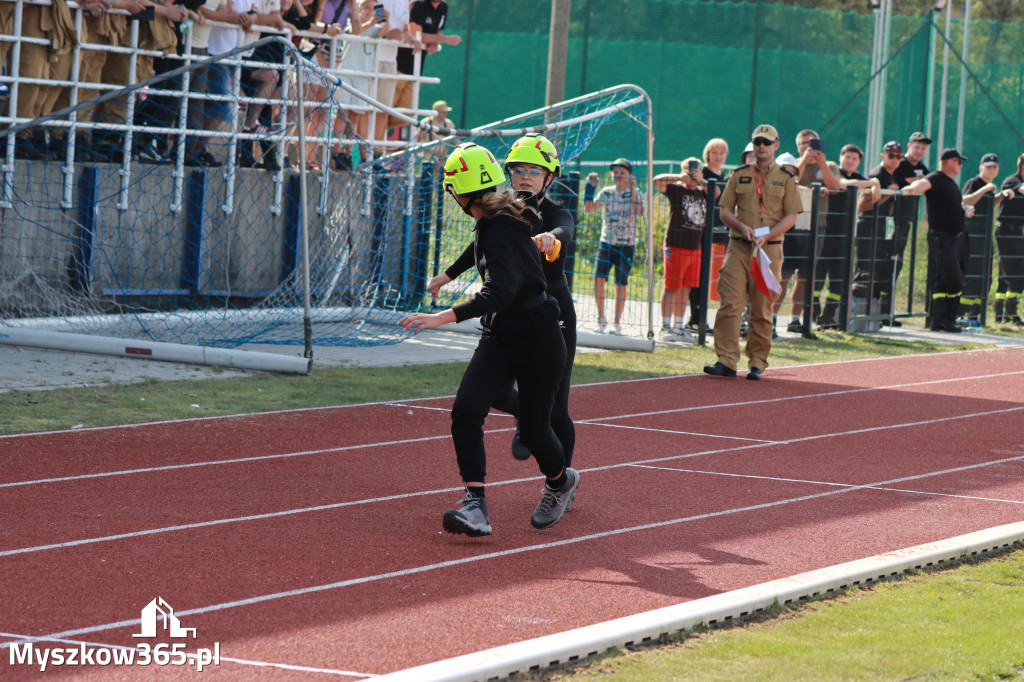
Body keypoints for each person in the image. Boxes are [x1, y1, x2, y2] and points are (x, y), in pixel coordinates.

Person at [399, 142, 579, 537]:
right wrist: (447, 276)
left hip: (539, 337)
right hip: (499, 334)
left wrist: (439, 318)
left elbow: (499, 292)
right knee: (467, 409)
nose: (525, 176)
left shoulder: (502, 225)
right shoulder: (495, 219)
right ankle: (475, 505)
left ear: (457, 194)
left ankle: (560, 481)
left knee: (536, 430)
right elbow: (482, 253)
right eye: (519, 169)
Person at [704, 124, 802, 381]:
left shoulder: (786, 177)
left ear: (776, 146)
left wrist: (766, 234)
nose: (761, 146)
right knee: (730, 304)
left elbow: (791, 216)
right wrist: (742, 228)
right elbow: (724, 211)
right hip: (738, 245)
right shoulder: (739, 175)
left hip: (769, 250)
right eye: (758, 141)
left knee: (762, 307)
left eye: (766, 142)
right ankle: (726, 359)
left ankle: (757, 362)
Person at [902, 149, 996, 333]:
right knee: (954, 280)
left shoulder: (951, 183)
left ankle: (940, 321)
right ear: (949, 162)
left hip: (958, 239)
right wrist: (912, 189)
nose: (961, 165)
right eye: (959, 162)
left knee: (945, 280)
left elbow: (951, 205)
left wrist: (963, 211)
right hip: (942, 237)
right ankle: (947, 319)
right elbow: (922, 184)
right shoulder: (936, 178)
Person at [777, 129, 841, 334]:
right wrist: (803, 160)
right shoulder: (792, 163)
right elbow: (790, 182)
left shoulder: (829, 165)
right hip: (792, 224)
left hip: (816, 226)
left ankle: (795, 319)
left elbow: (836, 188)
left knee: (805, 276)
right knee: (783, 274)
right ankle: (772, 317)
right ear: (798, 146)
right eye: (804, 143)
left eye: (813, 143)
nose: (809, 147)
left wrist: (821, 163)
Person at [814, 143, 881, 328]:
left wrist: (876, 184)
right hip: (825, 232)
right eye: (847, 157)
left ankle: (828, 318)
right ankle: (812, 313)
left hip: (845, 236)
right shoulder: (834, 172)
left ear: (859, 161)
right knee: (817, 278)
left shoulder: (860, 177)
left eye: (855, 158)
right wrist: (874, 182)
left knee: (839, 280)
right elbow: (846, 185)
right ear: (841, 157)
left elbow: (865, 184)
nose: (850, 161)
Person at [584, 157, 645, 335]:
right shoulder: (606, 192)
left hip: (626, 245)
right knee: (598, 279)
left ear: (629, 176)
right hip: (607, 242)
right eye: (615, 172)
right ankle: (601, 319)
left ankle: (616, 324)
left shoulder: (636, 192)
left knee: (621, 284)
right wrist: (590, 187)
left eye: (622, 172)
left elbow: (638, 212)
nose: (617, 175)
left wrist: (632, 189)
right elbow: (589, 208)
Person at [653, 158, 707, 342]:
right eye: (689, 171)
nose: (691, 174)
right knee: (671, 287)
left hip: (695, 248)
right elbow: (656, 181)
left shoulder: (704, 191)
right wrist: (679, 177)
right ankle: (665, 327)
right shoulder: (676, 189)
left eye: (695, 171)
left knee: (686, 288)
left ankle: (678, 327)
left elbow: (717, 192)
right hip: (675, 245)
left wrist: (702, 180)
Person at [390, 0, 461, 133]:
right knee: (384, 110)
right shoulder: (418, 5)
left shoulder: (443, 7)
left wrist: (435, 40)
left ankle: (377, 135)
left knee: (406, 115)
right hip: (397, 68)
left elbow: (439, 30)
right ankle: (374, 146)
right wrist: (444, 39)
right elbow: (415, 35)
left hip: (416, 71)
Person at [959, 153, 1013, 323]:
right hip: (972, 233)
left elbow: (988, 204)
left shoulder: (990, 186)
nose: (992, 169)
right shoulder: (974, 183)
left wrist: (1001, 196)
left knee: (985, 275)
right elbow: (964, 200)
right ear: (981, 167)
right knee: (971, 274)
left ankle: (974, 315)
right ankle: (961, 314)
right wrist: (984, 189)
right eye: (988, 166)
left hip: (985, 234)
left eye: (994, 167)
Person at [885, 130, 932, 326]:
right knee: (886, 261)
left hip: (906, 221)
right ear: (909, 146)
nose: (920, 151)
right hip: (889, 220)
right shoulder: (900, 164)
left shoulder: (922, 167)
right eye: (917, 146)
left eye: (923, 148)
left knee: (897, 263)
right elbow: (920, 184)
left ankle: (888, 311)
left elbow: (929, 184)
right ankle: (879, 310)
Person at [685, 138, 728, 333]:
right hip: (702, 230)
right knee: (699, 277)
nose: (718, 156)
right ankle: (696, 319)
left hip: (721, 232)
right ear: (707, 154)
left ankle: (703, 318)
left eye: (721, 153)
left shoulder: (725, 175)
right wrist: (701, 179)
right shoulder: (703, 174)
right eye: (714, 153)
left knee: (713, 279)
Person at [994, 153, 1024, 325]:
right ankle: (1010, 313)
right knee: (1015, 271)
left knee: (1006, 272)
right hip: (1005, 230)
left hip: (1017, 231)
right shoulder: (1012, 181)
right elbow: (1021, 188)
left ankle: (1001, 313)